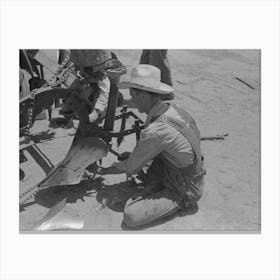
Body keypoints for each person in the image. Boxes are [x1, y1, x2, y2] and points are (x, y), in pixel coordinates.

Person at [96, 64, 205, 229]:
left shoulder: (156, 131)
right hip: (182, 170)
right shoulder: (172, 111)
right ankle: (156, 182)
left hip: (185, 188)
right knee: (133, 157)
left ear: (144, 96)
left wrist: (106, 169)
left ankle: (180, 202)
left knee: (131, 216)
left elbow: (131, 166)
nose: (131, 99)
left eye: (133, 95)